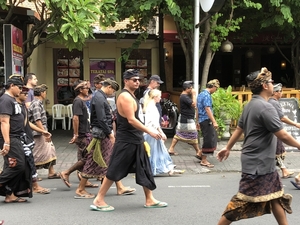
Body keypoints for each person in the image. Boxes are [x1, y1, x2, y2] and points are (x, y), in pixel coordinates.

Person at [216, 67, 298, 225]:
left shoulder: (250, 104)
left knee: (275, 197)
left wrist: (228, 148)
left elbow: (240, 129)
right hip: (258, 164)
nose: (273, 84)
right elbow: (283, 135)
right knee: (241, 203)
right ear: (265, 86)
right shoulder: (266, 107)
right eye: (271, 82)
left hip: (261, 162)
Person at [90, 69, 167, 211]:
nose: (137, 82)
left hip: (136, 139)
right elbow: (131, 120)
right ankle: (99, 200)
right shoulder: (125, 97)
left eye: (138, 80)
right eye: (134, 80)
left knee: (144, 168)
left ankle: (149, 199)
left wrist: (154, 130)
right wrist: (149, 130)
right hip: (126, 140)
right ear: (126, 81)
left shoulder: (132, 96)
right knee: (114, 168)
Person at [74, 79, 136, 199]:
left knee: (110, 160)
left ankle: (120, 187)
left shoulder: (99, 96)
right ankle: (80, 189)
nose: (113, 92)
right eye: (113, 89)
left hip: (102, 133)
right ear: (108, 87)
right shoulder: (99, 98)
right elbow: (102, 119)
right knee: (94, 160)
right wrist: (110, 134)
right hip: (102, 134)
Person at [0, 74, 32, 203]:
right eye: (19, 87)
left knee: (12, 165)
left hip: (17, 137)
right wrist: (7, 143)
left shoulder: (12, 99)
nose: (21, 90)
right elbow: (4, 122)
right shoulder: (5, 100)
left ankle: (10, 194)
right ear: (11, 86)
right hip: (11, 138)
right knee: (17, 165)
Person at [59, 80, 96, 189]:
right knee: (87, 157)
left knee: (83, 157)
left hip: (86, 131)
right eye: (85, 88)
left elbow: (90, 98)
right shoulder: (77, 101)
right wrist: (76, 134)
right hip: (82, 133)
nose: (87, 90)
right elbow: (75, 118)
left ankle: (84, 179)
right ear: (80, 90)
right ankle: (66, 172)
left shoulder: (82, 100)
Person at [16, 86, 52, 194]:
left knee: (28, 161)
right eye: (24, 94)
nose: (27, 96)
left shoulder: (22, 106)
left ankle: (32, 185)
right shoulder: (13, 105)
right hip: (18, 138)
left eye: (27, 94)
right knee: (25, 162)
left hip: (26, 137)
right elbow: (36, 120)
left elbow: (28, 123)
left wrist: (43, 131)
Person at [28, 85, 60, 179]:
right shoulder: (36, 104)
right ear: (41, 93)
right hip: (37, 133)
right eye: (45, 92)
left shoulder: (38, 103)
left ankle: (51, 172)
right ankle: (33, 174)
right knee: (37, 153)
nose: (46, 94)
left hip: (41, 131)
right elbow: (37, 120)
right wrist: (43, 132)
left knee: (50, 150)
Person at [268, 83, 298, 178]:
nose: (282, 93)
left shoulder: (270, 101)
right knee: (277, 152)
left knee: (276, 152)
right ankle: (283, 170)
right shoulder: (274, 102)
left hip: (272, 130)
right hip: (275, 131)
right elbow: (282, 118)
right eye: (280, 91)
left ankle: (284, 170)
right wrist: (295, 124)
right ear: (276, 93)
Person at [168, 81, 202, 160]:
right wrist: (194, 94)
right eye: (190, 88)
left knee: (179, 133)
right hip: (187, 119)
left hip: (186, 118)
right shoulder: (184, 97)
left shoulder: (185, 95)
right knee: (193, 134)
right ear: (186, 89)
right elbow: (193, 104)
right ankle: (198, 151)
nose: (192, 89)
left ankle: (171, 148)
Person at [197, 79, 220, 168]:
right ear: (213, 87)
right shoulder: (206, 95)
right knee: (209, 139)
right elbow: (207, 109)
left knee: (208, 137)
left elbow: (198, 109)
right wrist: (214, 121)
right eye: (216, 89)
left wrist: (197, 121)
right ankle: (204, 160)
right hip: (206, 120)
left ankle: (200, 153)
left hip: (202, 119)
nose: (215, 91)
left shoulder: (200, 94)